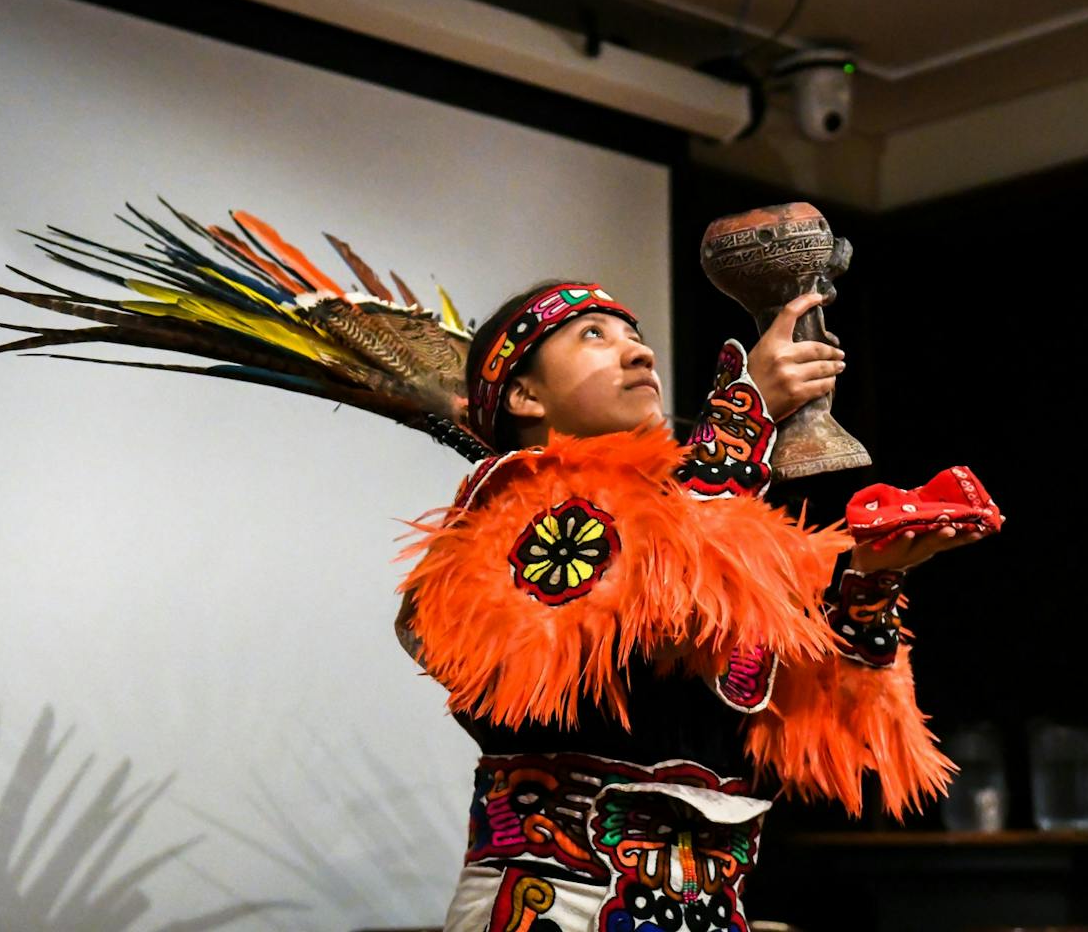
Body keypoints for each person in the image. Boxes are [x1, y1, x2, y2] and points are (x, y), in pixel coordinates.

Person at [396, 279, 987, 932]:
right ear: (524, 396)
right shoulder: (500, 513)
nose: (639, 353)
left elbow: (819, 724)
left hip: (707, 903)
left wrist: (871, 582)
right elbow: (636, 598)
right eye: (593, 335)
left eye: (635, 336)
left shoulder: (717, 523)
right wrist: (742, 420)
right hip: (557, 902)